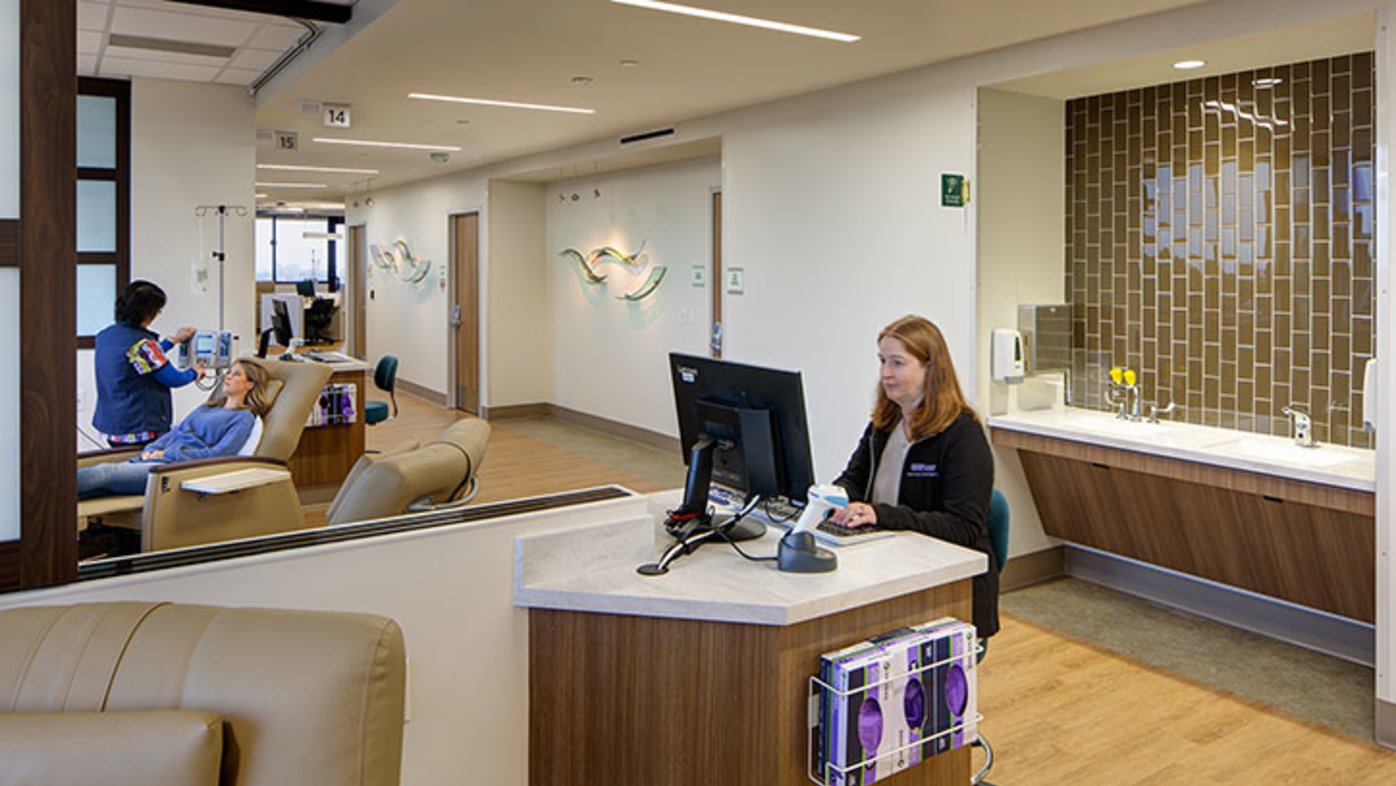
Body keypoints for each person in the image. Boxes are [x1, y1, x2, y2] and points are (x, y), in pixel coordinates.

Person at [830, 315, 999, 641]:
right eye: (882, 362)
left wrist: (880, 514)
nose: (885, 374)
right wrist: (832, 497)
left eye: (897, 363)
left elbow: (963, 527)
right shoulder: (885, 422)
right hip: (890, 566)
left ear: (930, 369)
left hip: (949, 593)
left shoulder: (962, 434)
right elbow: (854, 479)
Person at [78, 360, 271, 500]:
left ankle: (49, 488)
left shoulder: (244, 418)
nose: (228, 376)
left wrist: (168, 453)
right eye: (229, 372)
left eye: (236, 374)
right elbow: (177, 432)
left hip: (174, 470)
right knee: (95, 489)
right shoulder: (208, 407)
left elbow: (219, 454)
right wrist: (151, 450)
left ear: (250, 384)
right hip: (157, 458)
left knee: (106, 472)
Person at [92, 280, 203, 447]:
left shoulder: (105, 336)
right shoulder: (143, 345)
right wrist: (195, 372)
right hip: (138, 429)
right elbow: (174, 379)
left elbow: (138, 359)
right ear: (149, 312)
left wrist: (173, 340)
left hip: (112, 427)